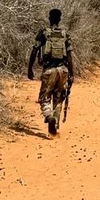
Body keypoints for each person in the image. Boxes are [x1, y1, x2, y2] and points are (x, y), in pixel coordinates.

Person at [26, 8, 74, 137]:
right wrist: (72, 74)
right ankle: (54, 128)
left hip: (49, 70)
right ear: (60, 19)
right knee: (59, 98)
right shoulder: (65, 34)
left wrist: (30, 68)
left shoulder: (43, 33)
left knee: (44, 98)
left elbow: (34, 51)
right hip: (63, 70)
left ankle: (48, 115)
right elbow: (69, 56)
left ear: (49, 18)